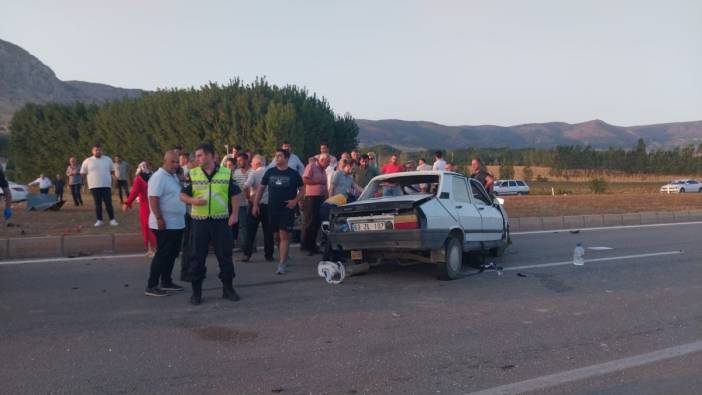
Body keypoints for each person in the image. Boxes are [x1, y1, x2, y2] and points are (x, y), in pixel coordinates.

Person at [180, 143, 242, 305]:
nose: (197, 158)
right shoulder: (192, 173)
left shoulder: (226, 173)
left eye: (200, 155)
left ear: (211, 156)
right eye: (197, 155)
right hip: (199, 222)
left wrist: (234, 214)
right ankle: (197, 292)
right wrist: (192, 200)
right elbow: (183, 195)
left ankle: (228, 289)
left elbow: (235, 194)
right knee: (197, 257)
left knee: (225, 256)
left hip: (221, 221)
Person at [252, 148, 303, 275]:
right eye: (275, 156)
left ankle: (282, 264)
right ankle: (283, 255)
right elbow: (261, 189)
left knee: (284, 235)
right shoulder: (270, 172)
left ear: (286, 158)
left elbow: (303, 190)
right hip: (272, 209)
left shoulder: (293, 174)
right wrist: (255, 204)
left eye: (279, 156)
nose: (276, 158)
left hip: (286, 210)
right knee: (276, 236)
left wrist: (295, 201)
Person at [143, 150, 187, 296]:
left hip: (177, 223)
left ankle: (166, 281)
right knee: (162, 254)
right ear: (165, 161)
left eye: (177, 162)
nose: (175, 165)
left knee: (172, 254)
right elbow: (153, 198)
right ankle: (152, 285)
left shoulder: (173, 176)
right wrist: (159, 218)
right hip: (165, 224)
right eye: (172, 162)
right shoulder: (159, 177)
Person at [242, 154, 273, 262]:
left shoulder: (254, 173)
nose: (251, 164)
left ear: (257, 163)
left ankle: (247, 254)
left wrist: (248, 197)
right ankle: (269, 255)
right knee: (268, 231)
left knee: (250, 230)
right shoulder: (271, 172)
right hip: (268, 205)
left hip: (255, 204)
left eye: (252, 163)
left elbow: (245, 186)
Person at [123, 161, 157, 257]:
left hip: (145, 206)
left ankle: (151, 249)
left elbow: (134, 192)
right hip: (155, 205)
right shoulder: (155, 177)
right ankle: (155, 248)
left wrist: (127, 203)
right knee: (154, 226)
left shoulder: (139, 179)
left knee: (147, 227)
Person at [81, 144, 118, 227]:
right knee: (98, 204)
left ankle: (112, 220)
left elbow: (112, 171)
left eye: (99, 150)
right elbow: (83, 173)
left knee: (108, 203)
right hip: (94, 186)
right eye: (96, 150)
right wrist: (84, 185)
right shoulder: (87, 161)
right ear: (92, 151)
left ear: (102, 151)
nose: (98, 151)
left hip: (106, 185)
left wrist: (115, 179)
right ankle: (99, 220)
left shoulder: (108, 159)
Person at [301, 153, 329, 255]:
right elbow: (304, 179)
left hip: (320, 198)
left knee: (317, 222)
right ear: (322, 160)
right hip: (311, 198)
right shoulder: (311, 166)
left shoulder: (323, 170)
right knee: (310, 221)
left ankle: (313, 245)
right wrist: (315, 182)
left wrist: (327, 198)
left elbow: (325, 185)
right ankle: (306, 245)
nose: (328, 164)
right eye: (327, 162)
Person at [232, 153, 251, 248]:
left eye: (241, 160)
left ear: (246, 160)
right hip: (240, 203)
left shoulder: (253, 171)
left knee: (251, 225)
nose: (239, 162)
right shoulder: (236, 173)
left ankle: (252, 245)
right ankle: (245, 247)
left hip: (251, 202)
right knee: (242, 225)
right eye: (237, 161)